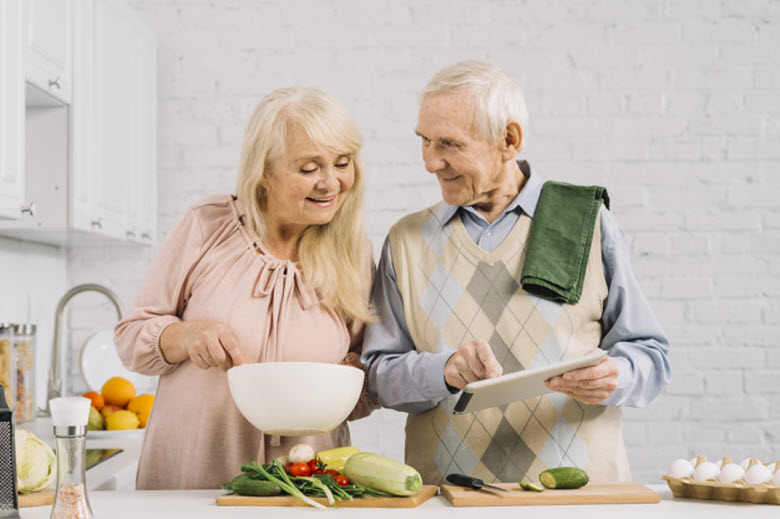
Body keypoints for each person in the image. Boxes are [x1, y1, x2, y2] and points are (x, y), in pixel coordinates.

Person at [361, 60, 671, 485]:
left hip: (582, 498)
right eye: (425, 141)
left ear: (508, 140)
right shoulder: (406, 240)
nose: (431, 162)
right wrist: (443, 371)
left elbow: (650, 354)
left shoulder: (586, 223)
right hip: (451, 499)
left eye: (449, 144)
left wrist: (617, 376)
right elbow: (378, 375)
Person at [114, 87, 377, 489]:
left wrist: (355, 380)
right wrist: (184, 335)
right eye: (309, 169)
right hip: (194, 475)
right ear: (265, 173)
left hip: (305, 486)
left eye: (342, 163)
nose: (331, 183)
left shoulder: (352, 253)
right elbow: (131, 338)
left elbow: (366, 380)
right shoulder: (207, 225)